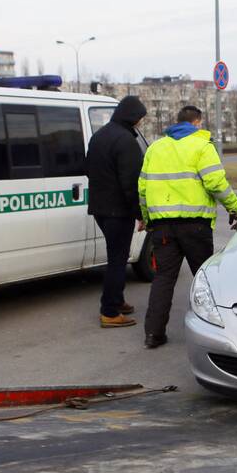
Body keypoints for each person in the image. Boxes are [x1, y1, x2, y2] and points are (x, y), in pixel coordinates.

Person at [139, 105, 237, 349]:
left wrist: (146, 217)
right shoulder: (202, 146)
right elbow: (216, 183)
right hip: (195, 226)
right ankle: (218, 334)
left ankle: (153, 334)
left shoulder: (156, 147)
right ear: (197, 123)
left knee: (163, 278)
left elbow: (143, 188)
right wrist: (234, 208)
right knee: (206, 278)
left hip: (162, 227)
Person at [86, 95, 148, 328]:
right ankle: (109, 311)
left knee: (116, 257)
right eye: (140, 117)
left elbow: (87, 168)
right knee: (117, 260)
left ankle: (118, 300)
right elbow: (130, 184)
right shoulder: (125, 141)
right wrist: (140, 214)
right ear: (132, 116)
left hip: (100, 209)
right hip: (118, 211)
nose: (140, 122)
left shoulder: (99, 136)